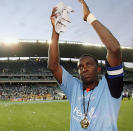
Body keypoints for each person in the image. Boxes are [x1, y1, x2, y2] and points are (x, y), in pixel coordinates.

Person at [48, 0, 124, 130]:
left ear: (98, 68)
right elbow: (53, 66)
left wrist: (89, 17)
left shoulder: (111, 86)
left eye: (89, 64)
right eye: (80, 67)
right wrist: (56, 31)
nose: (84, 68)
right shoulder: (74, 88)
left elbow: (115, 49)